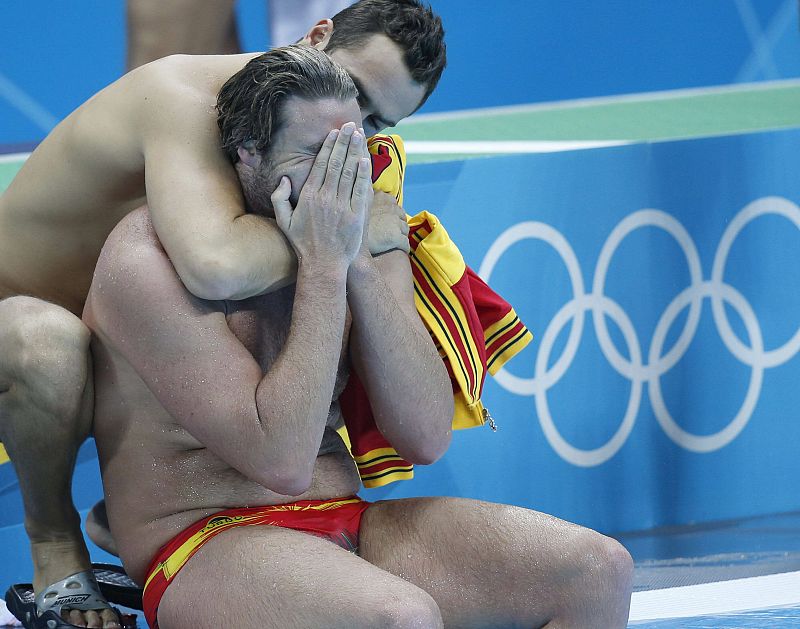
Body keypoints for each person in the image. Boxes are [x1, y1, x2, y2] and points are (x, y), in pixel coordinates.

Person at [85, 46, 634, 629]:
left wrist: (362, 264)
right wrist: (324, 267)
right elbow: (281, 461)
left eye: (354, 150)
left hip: (348, 518)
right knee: (399, 617)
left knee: (598, 570)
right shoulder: (147, 259)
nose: (343, 176)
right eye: (317, 155)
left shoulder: (362, 227)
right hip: (204, 538)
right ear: (247, 154)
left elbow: (424, 437)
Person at [0, 1, 446, 626]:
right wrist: (348, 234)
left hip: (125, 331)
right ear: (317, 36)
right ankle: (55, 547)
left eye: (379, 123)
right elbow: (217, 265)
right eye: (357, 94)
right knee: (45, 342)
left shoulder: (311, 131)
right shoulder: (185, 97)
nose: (357, 133)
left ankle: (133, 526)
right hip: (19, 325)